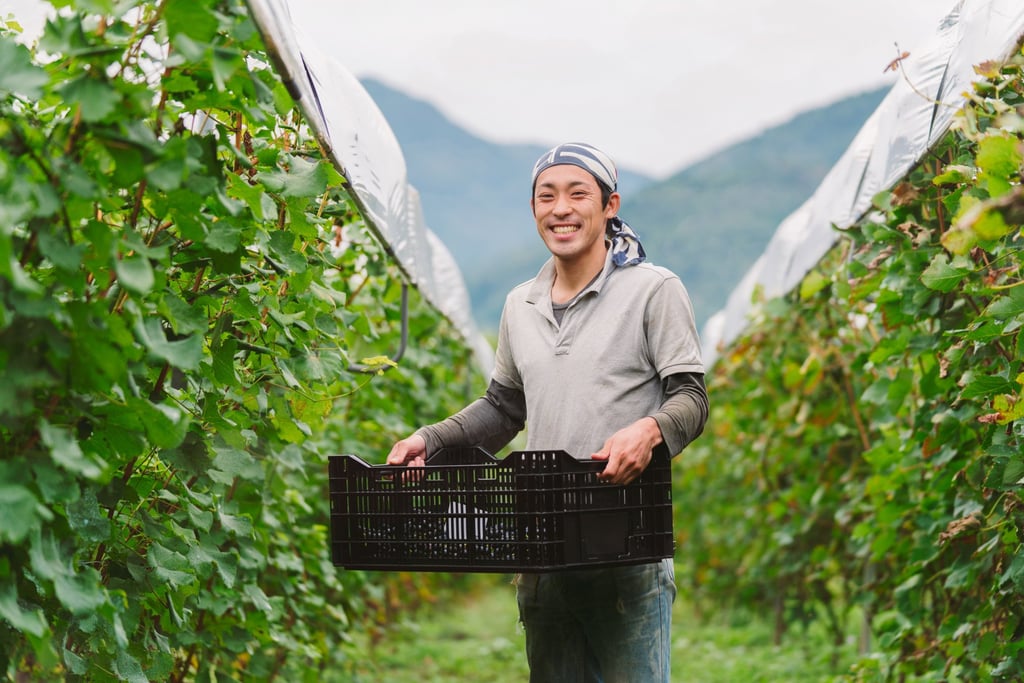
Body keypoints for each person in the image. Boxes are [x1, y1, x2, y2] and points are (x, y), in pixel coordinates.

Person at [387, 141, 709, 682]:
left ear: (609, 205)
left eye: (577, 193)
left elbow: (691, 399)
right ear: (534, 208)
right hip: (542, 548)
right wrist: (431, 440)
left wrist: (649, 430)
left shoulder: (653, 290)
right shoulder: (521, 303)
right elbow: (503, 407)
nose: (561, 208)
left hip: (626, 548)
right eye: (546, 196)